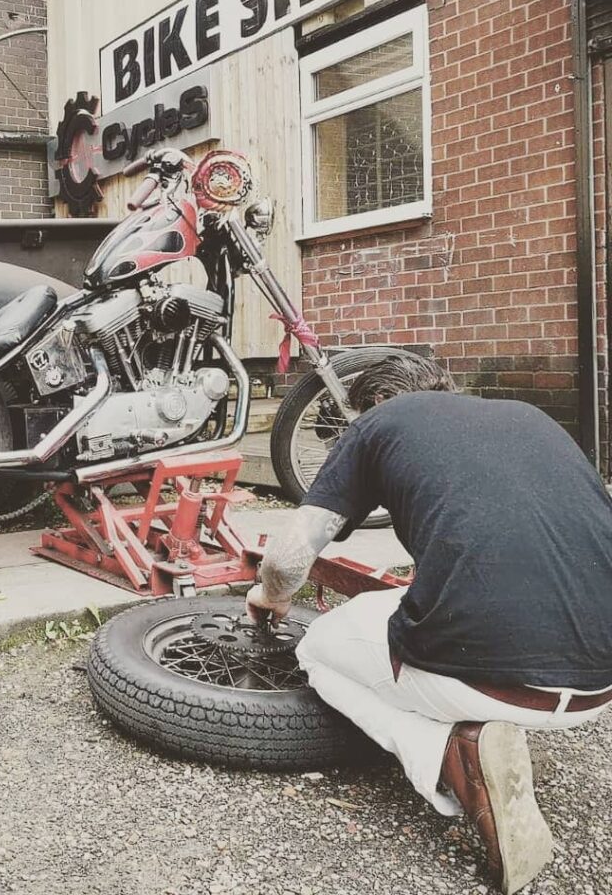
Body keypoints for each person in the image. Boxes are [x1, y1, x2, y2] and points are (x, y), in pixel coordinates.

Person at [247, 354, 612, 895]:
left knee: (318, 645)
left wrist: (270, 595)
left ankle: (451, 754)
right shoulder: (528, 415)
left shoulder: (378, 423)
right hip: (599, 687)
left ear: (372, 404)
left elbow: (287, 559)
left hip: (494, 684)